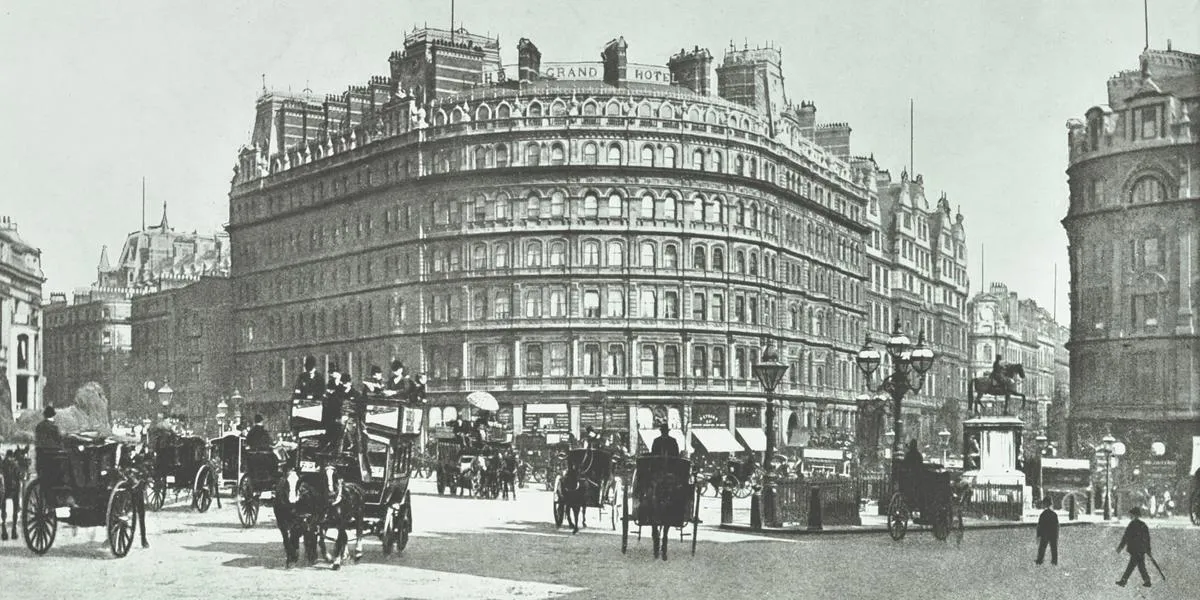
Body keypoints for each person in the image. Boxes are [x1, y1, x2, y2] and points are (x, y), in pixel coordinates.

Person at [34, 406, 75, 507]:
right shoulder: (54, 427)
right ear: (53, 415)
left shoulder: (39, 426)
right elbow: (60, 439)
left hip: (41, 459)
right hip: (55, 458)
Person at [1116, 506, 1153, 588]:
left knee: (1131, 566)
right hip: (1140, 549)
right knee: (1140, 566)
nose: (1130, 516)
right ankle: (1147, 581)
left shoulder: (1133, 525)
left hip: (1136, 550)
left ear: (1136, 515)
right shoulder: (1141, 525)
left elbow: (1126, 537)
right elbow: (1147, 539)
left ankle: (1124, 581)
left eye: (1131, 515)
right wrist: (1148, 549)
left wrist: (1120, 547)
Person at [1035, 497, 1059, 566]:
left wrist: (1038, 534)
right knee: (1054, 548)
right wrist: (1056, 535)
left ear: (1045, 504)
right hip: (1053, 533)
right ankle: (1054, 561)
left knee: (1042, 547)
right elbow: (1056, 526)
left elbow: (1039, 525)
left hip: (1044, 534)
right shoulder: (1054, 514)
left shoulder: (1043, 514)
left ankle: (1040, 560)